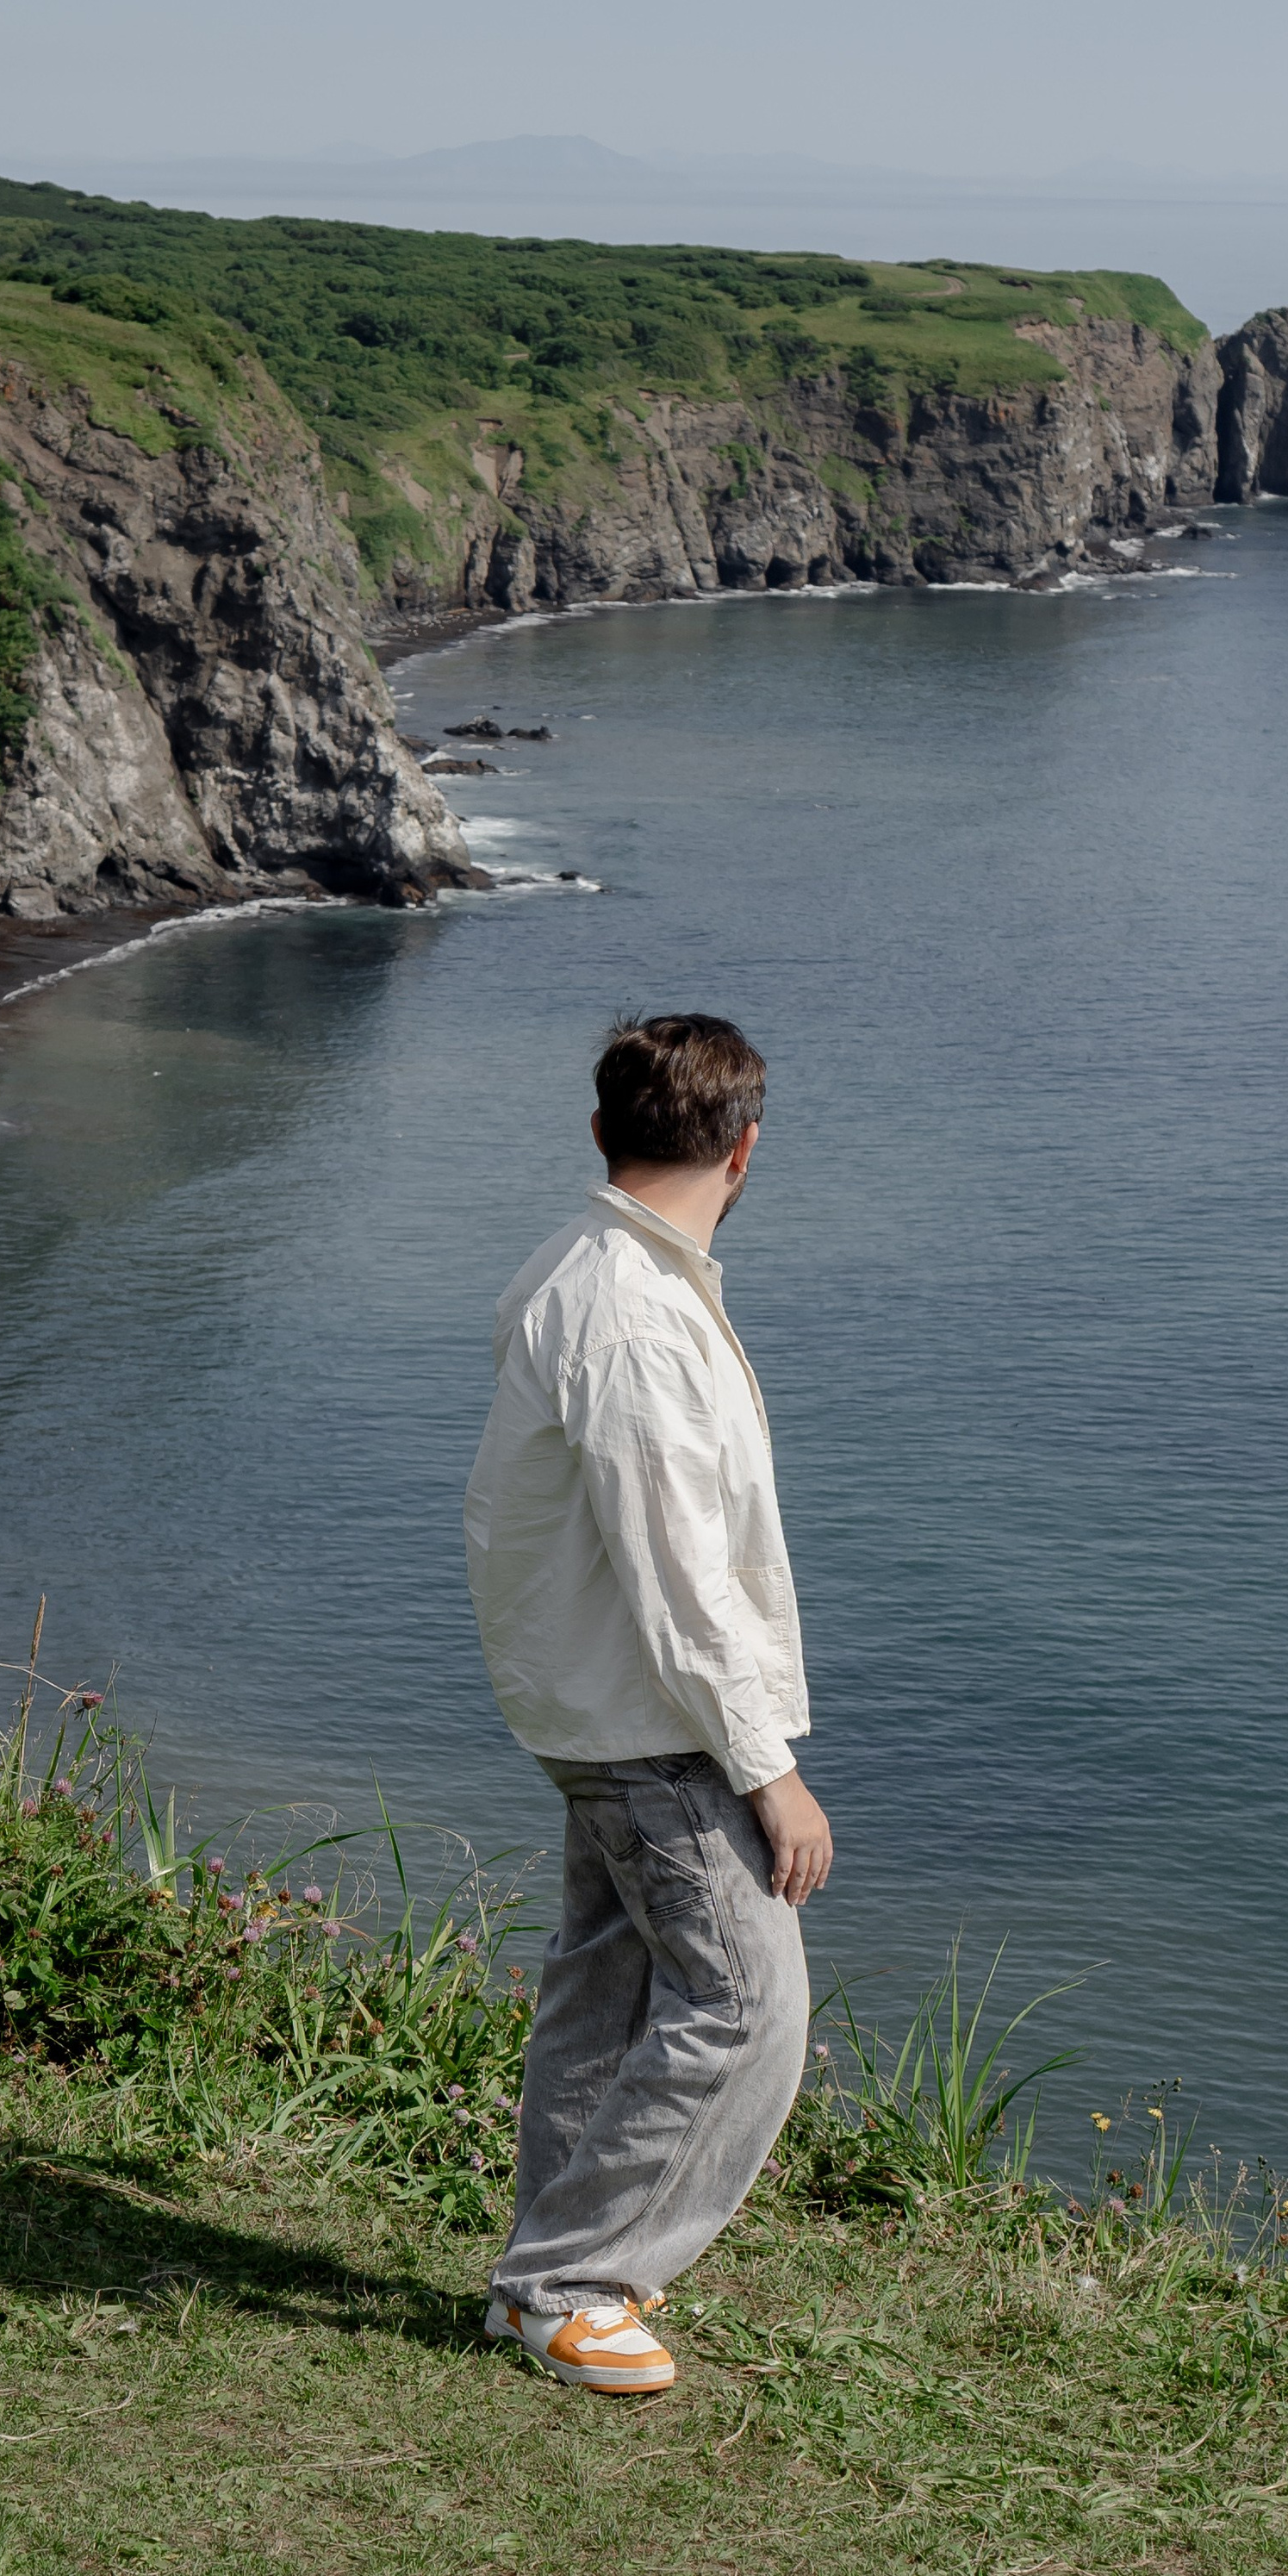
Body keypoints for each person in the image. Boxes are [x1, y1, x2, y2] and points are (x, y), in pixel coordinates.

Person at [464, 1011, 832, 2395]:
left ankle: (539, 2276)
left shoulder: (582, 1266)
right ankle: (569, 2284)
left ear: (605, 1131)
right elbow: (682, 1577)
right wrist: (767, 1766)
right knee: (748, 2005)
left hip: (593, 1701)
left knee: (608, 1988)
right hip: (650, 1718)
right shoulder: (636, 1316)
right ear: (745, 1151)